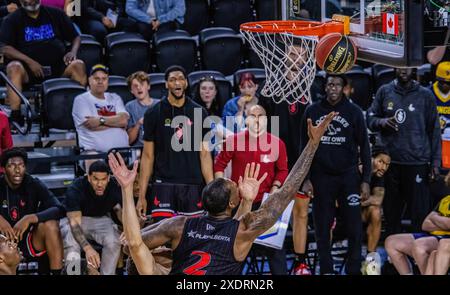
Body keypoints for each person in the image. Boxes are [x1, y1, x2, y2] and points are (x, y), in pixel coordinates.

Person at [109, 111, 336, 275]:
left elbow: (134, 245)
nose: (236, 184)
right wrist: (312, 145)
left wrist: (128, 192)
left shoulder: (179, 225)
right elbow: (287, 191)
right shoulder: (242, 232)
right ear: (231, 203)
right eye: (234, 186)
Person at [300, 74, 371, 275]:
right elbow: (302, 147)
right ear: (325, 86)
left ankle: (354, 269)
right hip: (321, 177)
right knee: (322, 229)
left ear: (344, 87)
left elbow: (364, 148)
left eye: (337, 84)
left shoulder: (354, 112)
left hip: (348, 177)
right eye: (330, 84)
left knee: (355, 228)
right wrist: (305, 179)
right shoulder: (313, 110)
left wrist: (365, 180)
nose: (333, 88)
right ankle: (327, 270)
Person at [214, 105, 289, 274]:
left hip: (266, 204)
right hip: (238, 204)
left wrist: (276, 188)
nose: (256, 119)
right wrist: (223, 192)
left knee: (275, 251)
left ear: (266, 119)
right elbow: (219, 165)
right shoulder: (234, 141)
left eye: (260, 115)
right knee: (232, 250)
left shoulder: (277, 143)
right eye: (252, 115)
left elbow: (283, 170)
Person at [366, 68, 442, 235]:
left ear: (414, 69)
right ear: (394, 68)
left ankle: (417, 258)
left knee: (419, 216)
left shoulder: (425, 95)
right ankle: (394, 259)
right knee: (391, 215)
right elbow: (370, 119)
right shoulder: (384, 91)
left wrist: (435, 163)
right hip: (390, 164)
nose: (403, 70)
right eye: (400, 67)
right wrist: (382, 122)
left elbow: (434, 131)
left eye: (407, 67)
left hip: (417, 163)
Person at [136, 65, 213, 222]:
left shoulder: (199, 111)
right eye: (172, 80)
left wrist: (211, 188)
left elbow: (204, 154)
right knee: (162, 240)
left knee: (190, 236)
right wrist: (142, 195)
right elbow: (148, 156)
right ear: (166, 84)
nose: (177, 83)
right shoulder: (153, 113)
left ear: (185, 83)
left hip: (192, 184)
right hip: (163, 185)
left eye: (180, 79)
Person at [0, 0, 87, 126]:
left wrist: (72, 52)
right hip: (28, 72)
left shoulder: (56, 13)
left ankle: (79, 112)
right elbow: (4, 47)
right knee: (13, 67)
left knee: (78, 65)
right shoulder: (12, 19)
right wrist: (29, 62)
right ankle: (16, 116)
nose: (30, 1)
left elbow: (76, 37)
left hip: (57, 68)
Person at [0, 148, 65, 275]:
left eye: (21, 165)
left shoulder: (33, 183)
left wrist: (30, 218)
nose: (17, 170)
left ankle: (56, 273)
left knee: (51, 225)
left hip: (27, 239)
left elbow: (59, 209)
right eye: (12, 166)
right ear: (4, 169)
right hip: (3, 243)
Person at [60, 160, 123, 275]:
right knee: (71, 238)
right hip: (75, 221)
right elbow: (74, 224)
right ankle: (73, 273)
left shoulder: (114, 186)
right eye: (95, 179)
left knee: (114, 240)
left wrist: (130, 227)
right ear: (88, 177)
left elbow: (119, 210)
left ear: (108, 178)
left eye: (103, 179)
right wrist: (87, 248)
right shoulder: (76, 188)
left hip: (100, 219)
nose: (100, 184)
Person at [385, 194, 450, 275]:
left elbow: (444, 223)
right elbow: (425, 225)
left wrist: (435, 218)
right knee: (391, 242)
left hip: (445, 238)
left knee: (419, 246)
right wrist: (443, 224)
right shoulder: (446, 199)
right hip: (433, 235)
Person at [72, 64, 129, 153]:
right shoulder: (81, 100)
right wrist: (116, 124)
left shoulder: (115, 97)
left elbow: (124, 121)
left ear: (107, 81)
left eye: (104, 79)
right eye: (96, 78)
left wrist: (100, 121)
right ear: (89, 80)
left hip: (122, 152)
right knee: (95, 163)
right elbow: (91, 126)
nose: (100, 82)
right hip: (94, 153)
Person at [361, 146, 391, 255]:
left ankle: (371, 259)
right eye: (381, 162)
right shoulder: (355, 170)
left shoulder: (379, 175)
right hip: (344, 215)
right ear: (371, 159)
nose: (384, 167)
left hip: (360, 213)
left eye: (387, 165)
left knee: (376, 211)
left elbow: (378, 200)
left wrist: (358, 200)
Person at [125, 71, 160, 146]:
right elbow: (129, 140)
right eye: (135, 86)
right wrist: (138, 124)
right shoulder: (129, 107)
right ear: (131, 90)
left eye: (142, 84)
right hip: (139, 150)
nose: (139, 88)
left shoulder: (160, 104)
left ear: (148, 86)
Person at [430, 61, 450, 132]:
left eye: (449, 83)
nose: (446, 85)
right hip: (432, 137)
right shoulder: (427, 93)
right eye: (443, 82)